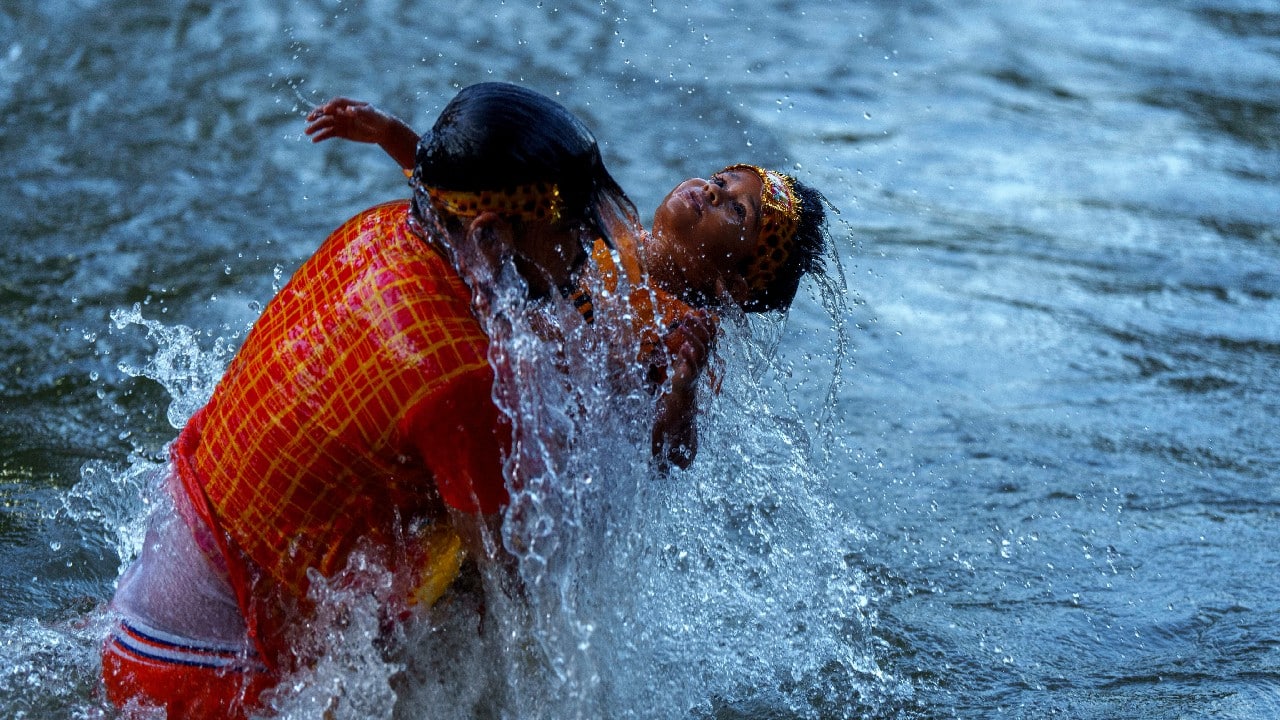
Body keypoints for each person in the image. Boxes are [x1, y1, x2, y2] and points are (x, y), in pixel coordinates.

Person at [101, 81, 642, 720]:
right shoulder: (456, 377)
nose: (586, 252)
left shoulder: (383, 229)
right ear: (494, 237)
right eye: (573, 232)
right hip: (211, 675)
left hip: (159, 582)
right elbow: (515, 589)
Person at [305, 97, 830, 465]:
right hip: (471, 359)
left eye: (737, 211)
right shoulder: (602, 220)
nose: (712, 192)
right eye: (720, 180)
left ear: (734, 285)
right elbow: (485, 203)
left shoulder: (686, 336)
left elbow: (666, 459)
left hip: (521, 431)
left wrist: (680, 396)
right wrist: (392, 136)